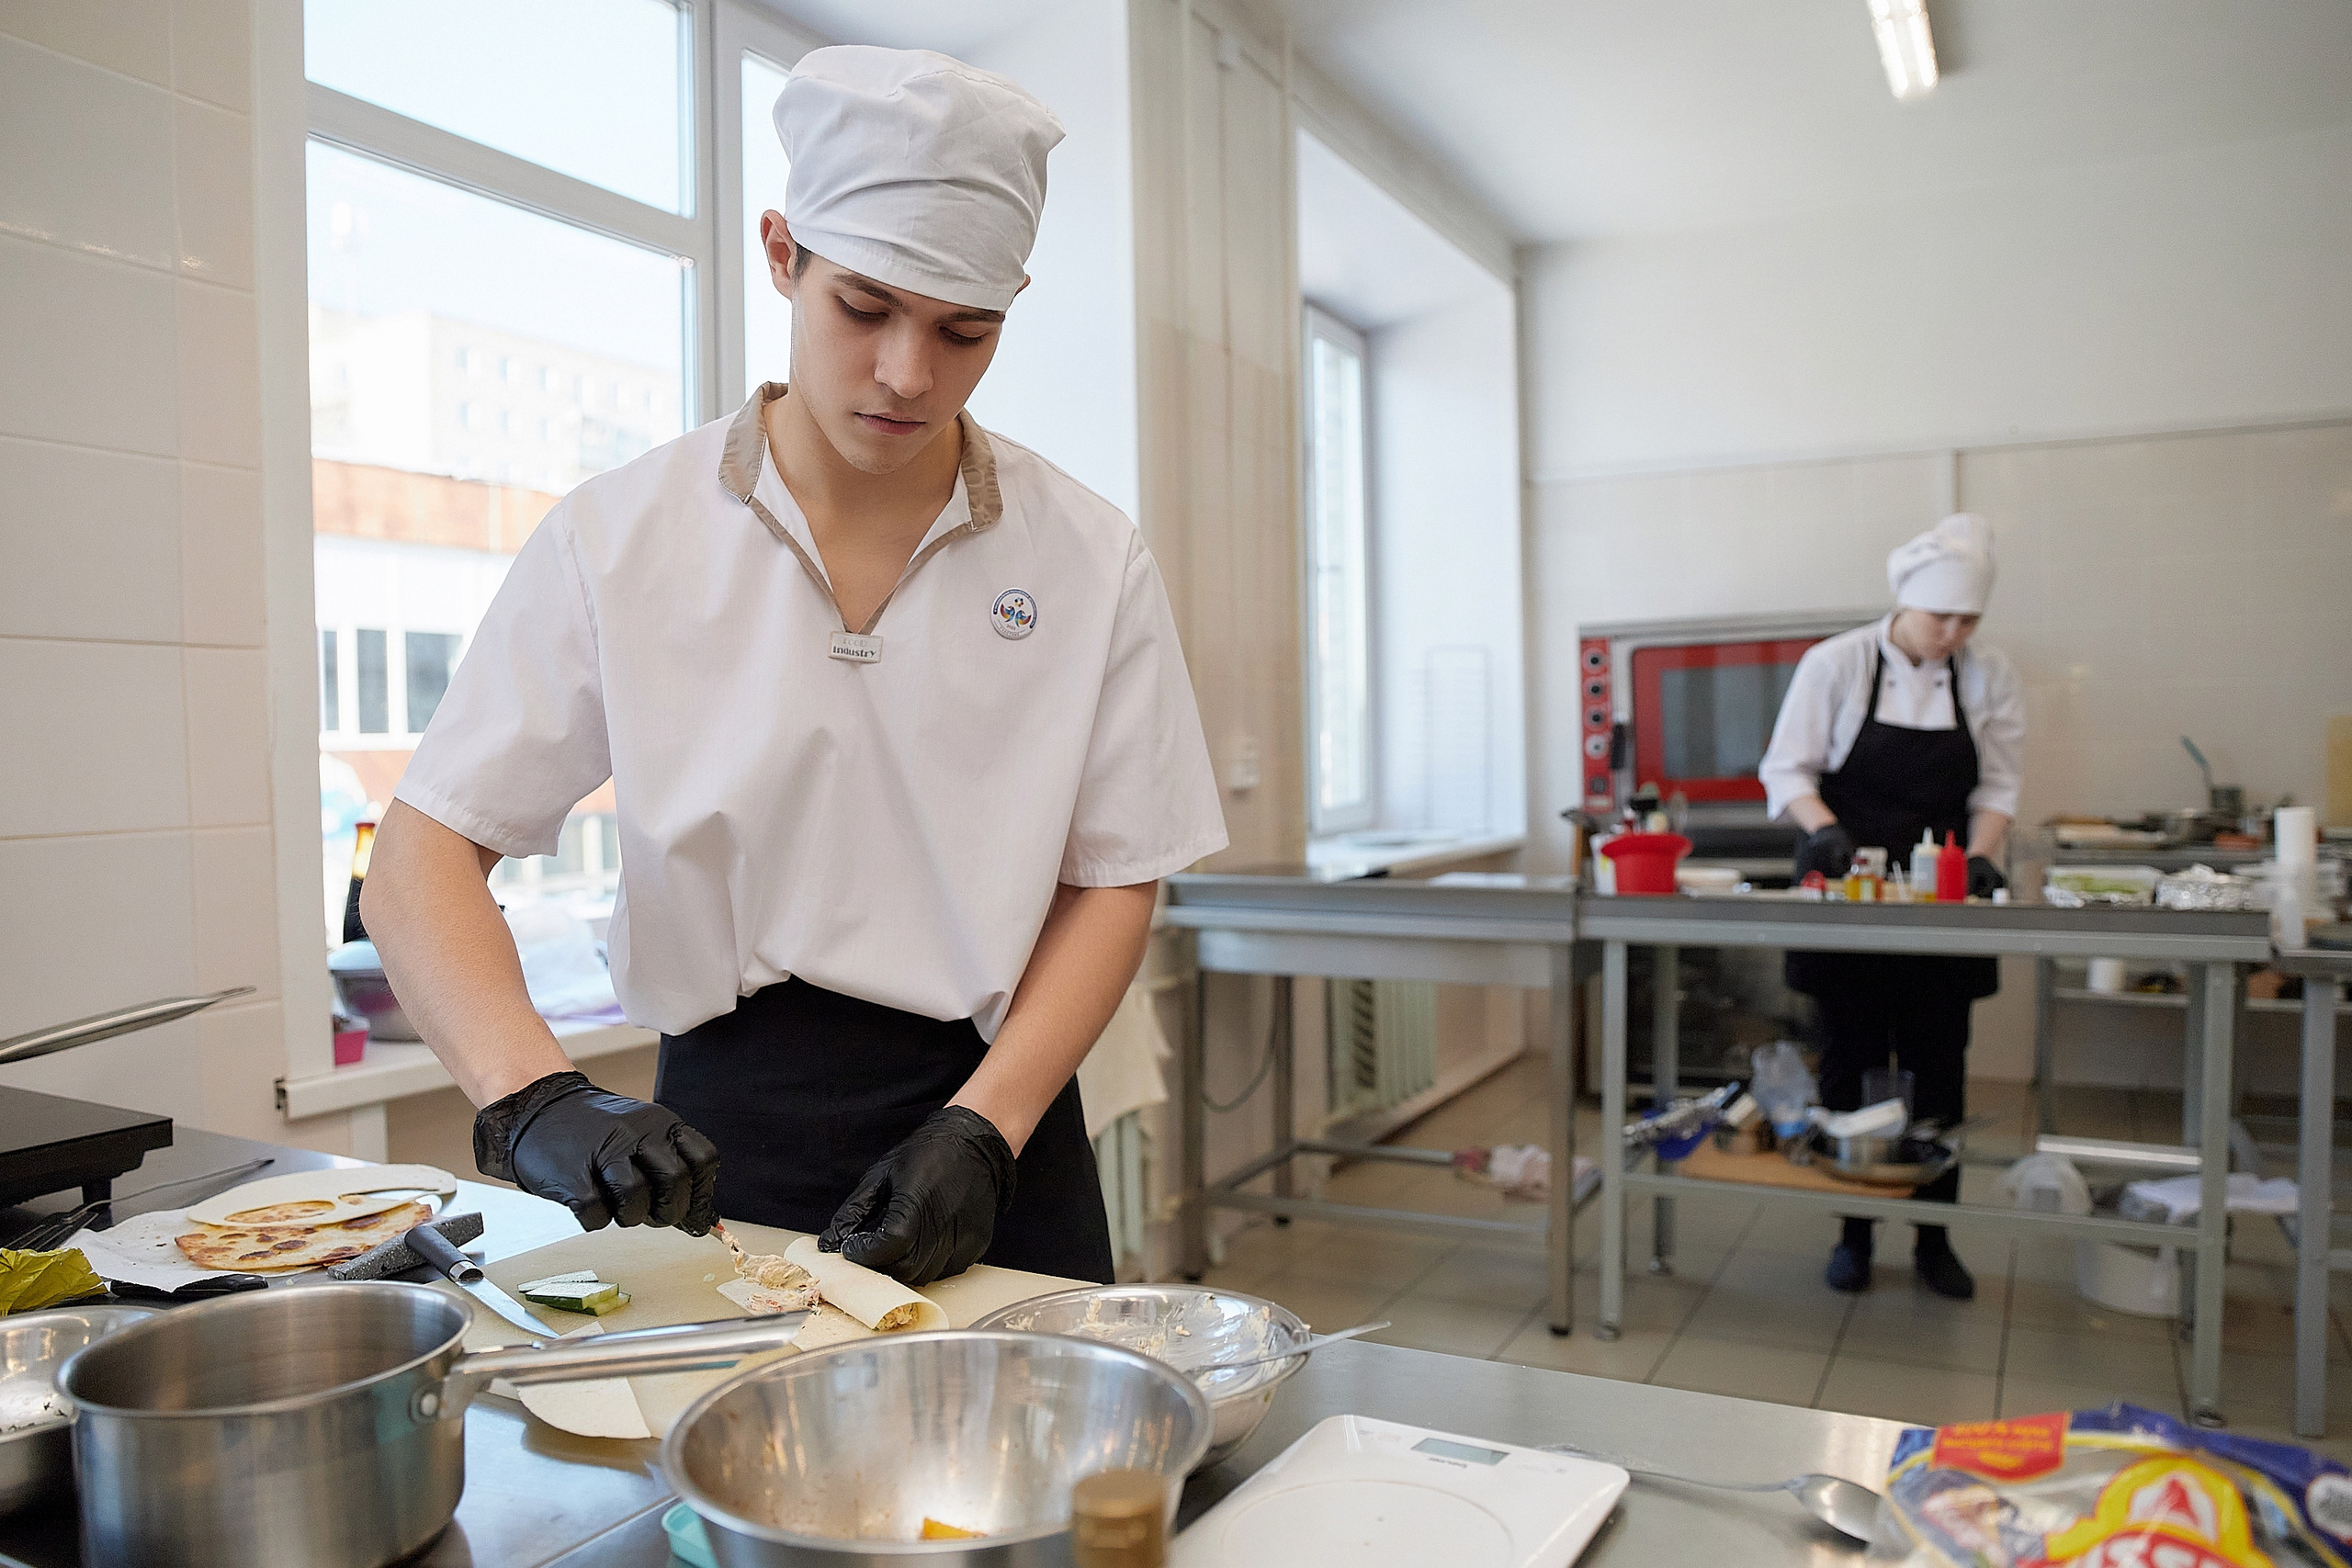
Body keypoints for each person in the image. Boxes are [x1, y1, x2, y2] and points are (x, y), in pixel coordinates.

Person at [360, 46, 1226, 1288]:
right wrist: (530, 1093)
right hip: (716, 1144)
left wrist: (986, 1131)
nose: (908, 374)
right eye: (864, 308)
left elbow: (1113, 877)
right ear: (782, 254)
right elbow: (422, 854)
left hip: (991, 1125)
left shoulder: (1087, 556)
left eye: (964, 329)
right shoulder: (624, 536)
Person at [1758, 513, 2024, 1299]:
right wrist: (1825, 832)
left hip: (1942, 899)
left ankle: (1935, 1238)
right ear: (1905, 601)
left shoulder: (1989, 674)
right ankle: (1854, 1234)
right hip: (1850, 894)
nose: (1954, 633)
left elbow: (1999, 784)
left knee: (1940, 1071)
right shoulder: (1837, 663)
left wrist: (1982, 855)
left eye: (1968, 619)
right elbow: (1787, 768)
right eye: (1942, 616)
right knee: (1851, 1065)